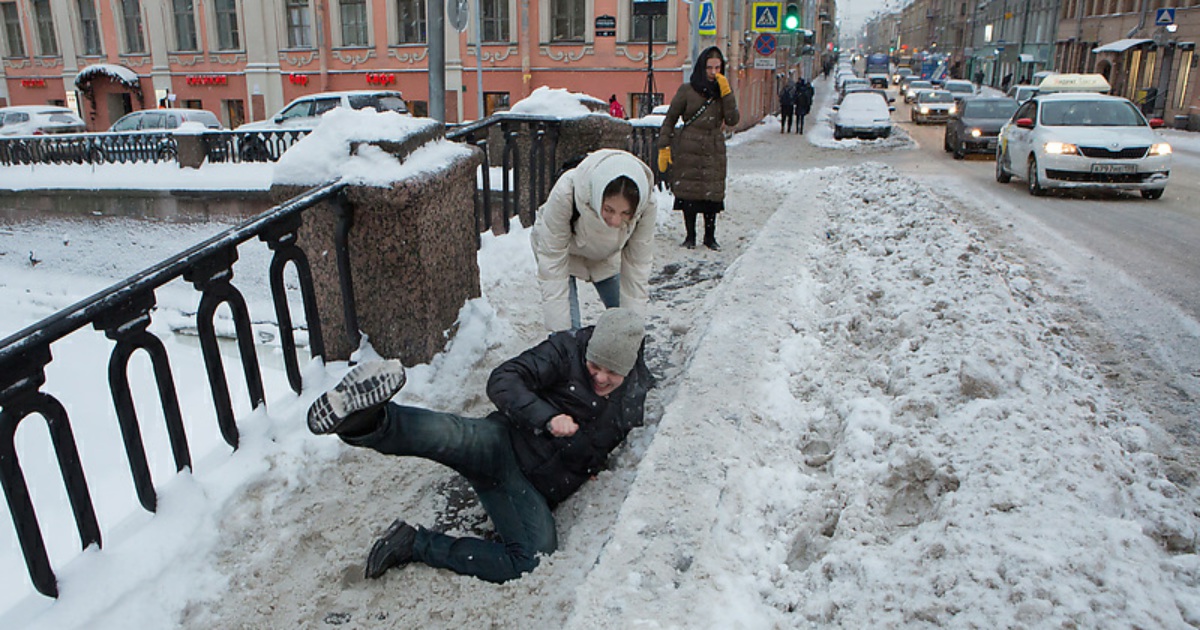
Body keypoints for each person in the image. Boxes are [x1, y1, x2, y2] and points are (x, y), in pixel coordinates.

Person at [306, 308, 651, 584]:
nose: (601, 377)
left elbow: (605, 438)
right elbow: (503, 380)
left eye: (612, 373)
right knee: (448, 435)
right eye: (594, 366)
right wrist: (547, 417)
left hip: (529, 490)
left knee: (532, 560)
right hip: (503, 442)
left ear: (628, 368)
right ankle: (365, 420)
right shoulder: (565, 351)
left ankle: (413, 543)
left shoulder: (632, 398)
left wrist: (591, 467)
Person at [531, 149, 656, 332]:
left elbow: (637, 266)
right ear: (597, 196)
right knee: (568, 331)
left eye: (625, 213)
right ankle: (567, 356)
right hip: (564, 253)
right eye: (609, 209)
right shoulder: (567, 191)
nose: (614, 221)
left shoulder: (647, 205)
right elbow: (553, 260)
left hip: (606, 255)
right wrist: (563, 337)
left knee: (625, 323)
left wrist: (632, 334)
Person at [656, 46, 740, 251]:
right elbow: (670, 119)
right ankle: (690, 236)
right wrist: (663, 146)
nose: (713, 72)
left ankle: (710, 237)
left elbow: (732, 119)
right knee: (690, 193)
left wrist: (727, 93)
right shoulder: (687, 90)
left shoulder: (722, 91)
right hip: (689, 144)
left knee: (712, 195)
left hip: (713, 145)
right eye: (709, 67)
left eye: (718, 68)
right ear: (702, 67)